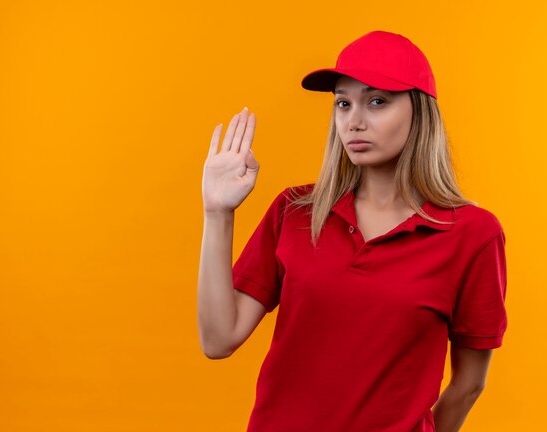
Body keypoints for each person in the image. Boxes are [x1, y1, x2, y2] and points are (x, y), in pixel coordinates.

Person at [198, 30, 508, 432]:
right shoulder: (295, 211)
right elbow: (218, 340)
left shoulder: (472, 234)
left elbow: (468, 383)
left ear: (420, 111)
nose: (354, 121)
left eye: (377, 101)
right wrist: (217, 212)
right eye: (343, 103)